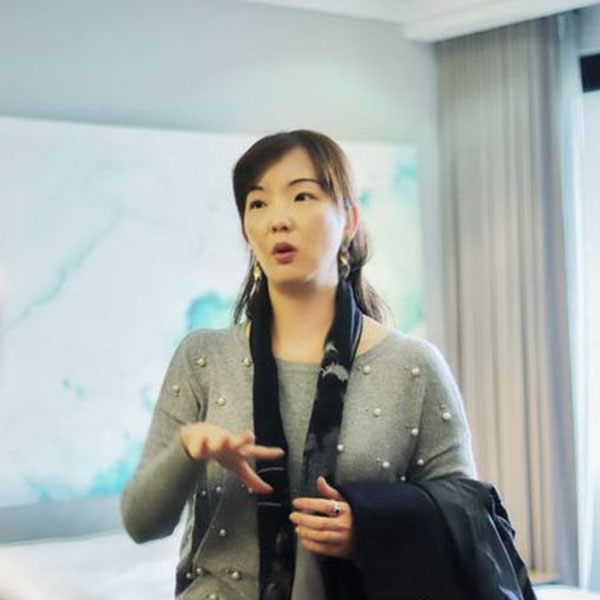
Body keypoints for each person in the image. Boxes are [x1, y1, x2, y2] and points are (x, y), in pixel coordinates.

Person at [120, 129, 479, 600]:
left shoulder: (412, 365)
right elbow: (141, 523)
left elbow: (468, 519)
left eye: (302, 196)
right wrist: (188, 450)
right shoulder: (203, 358)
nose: (278, 220)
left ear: (349, 219)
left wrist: (371, 530)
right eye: (258, 203)